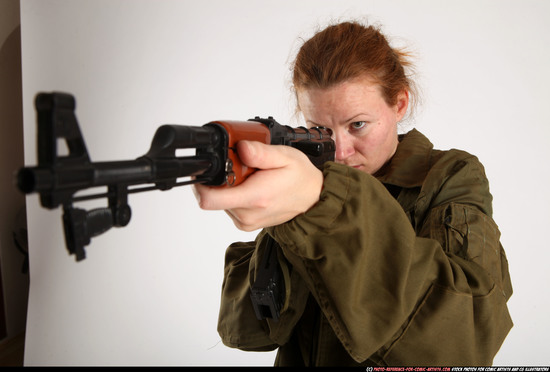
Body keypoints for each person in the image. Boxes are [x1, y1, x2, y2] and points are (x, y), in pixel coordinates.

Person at [193, 20, 513, 366]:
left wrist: (324, 203)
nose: (341, 151)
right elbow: (248, 332)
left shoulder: (449, 175)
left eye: (357, 124)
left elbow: (464, 341)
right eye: (320, 129)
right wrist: (290, 220)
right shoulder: (303, 182)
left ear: (400, 104)